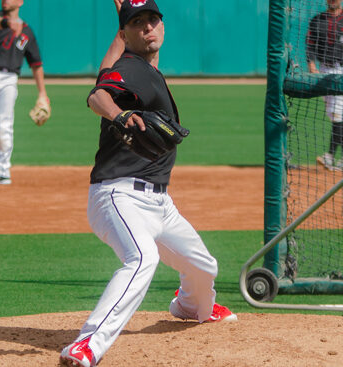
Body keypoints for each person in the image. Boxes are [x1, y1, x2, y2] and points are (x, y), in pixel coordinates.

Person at [59, 1, 237, 366]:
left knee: (204, 267)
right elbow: (97, 95)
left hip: (160, 204)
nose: (148, 27)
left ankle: (190, 306)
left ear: (163, 26)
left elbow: (103, 74)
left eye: (152, 20)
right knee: (142, 258)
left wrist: (123, 18)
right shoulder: (132, 70)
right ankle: (88, 345)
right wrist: (119, 114)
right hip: (118, 194)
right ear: (127, 35)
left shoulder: (140, 69)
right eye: (137, 23)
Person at [0, 0, 49, 185]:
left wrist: (42, 93)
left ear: (20, 2)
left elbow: (36, 64)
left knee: (2, 123)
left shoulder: (27, 32)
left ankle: (2, 171)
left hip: (8, 80)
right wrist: (8, 23)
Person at [306, 0, 343, 171]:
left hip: (341, 69)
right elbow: (310, 45)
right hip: (324, 70)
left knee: (337, 112)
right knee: (333, 113)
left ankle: (329, 156)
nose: (333, 0)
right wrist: (311, 65)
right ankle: (334, 157)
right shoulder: (317, 20)